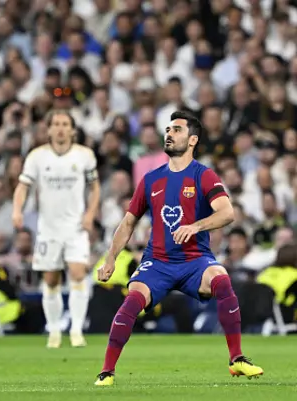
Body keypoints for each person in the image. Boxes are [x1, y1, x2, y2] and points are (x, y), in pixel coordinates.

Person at [95, 111, 263, 386]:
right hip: (158, 262)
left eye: (176, 130)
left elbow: (227, 213)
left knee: (221, 279)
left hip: (195, 260)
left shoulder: (204, 175)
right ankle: (106, 372)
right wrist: (110, 258)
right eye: (168, 129)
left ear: (193, 139)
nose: (169, 134)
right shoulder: (150, 179)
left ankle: (237, 360)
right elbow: (128, 223)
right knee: (132, 299)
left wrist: (196, 226)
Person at [12, 109, 101, 348]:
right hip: (48, 228)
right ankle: (53, 331)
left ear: (72, 130)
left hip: (75, 227)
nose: (61, 128)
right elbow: (23, 187)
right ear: (49, 129)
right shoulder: (37, 157)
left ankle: (76, 330)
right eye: (56, 124)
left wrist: (90, 215)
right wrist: (17, 210)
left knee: (78, 273)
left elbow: (95, 188)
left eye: (65, 124)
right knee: (51, 279)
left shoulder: (85, 156)